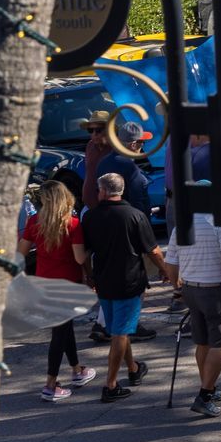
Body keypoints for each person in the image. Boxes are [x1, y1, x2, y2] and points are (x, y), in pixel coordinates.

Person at [80, 171, 165, 403]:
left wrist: (89, 275)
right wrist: (165, 270)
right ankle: (111, 384)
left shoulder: (90, 218)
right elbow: (153, 250)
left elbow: (84, 253)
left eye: (98, 190)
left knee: (120, 329)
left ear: (104, 191)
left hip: (104, 281)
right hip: (129, 282)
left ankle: (133, 368)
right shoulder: (135, 215)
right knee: (120, 333)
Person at [18, 180, 95, 402]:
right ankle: (51, 384)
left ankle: (77, 369)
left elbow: (21, 252)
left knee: (64, 327)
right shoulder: (72, 224)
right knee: (59, 334)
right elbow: (80, 258)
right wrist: (90, 256)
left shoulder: (35, 221)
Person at [162, 206, 221, 416]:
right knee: (220, 343)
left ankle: (209, 385)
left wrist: (177, 288)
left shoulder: (182, 226)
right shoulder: (219, 223)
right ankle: (205, 393)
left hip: (191, 288)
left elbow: (171, 263)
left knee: (202, 342)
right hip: (215, 289)